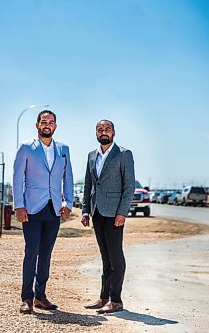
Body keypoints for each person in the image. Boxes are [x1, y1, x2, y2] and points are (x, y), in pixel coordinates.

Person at [12, 110, 74, 314]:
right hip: (31, 209)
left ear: (55, 126)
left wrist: (68, 202)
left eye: (51, 122)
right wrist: (19, 206)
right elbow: (17, 178)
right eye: (44, 122)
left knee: (46, 254)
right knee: (31, 253)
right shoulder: (26, 148)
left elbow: (68, 179)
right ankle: (26, 298)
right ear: (37, 125)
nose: (47, 125)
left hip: (54, 209)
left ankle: (41, 296)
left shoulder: (63, 148)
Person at [81, 119, 135, 314]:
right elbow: (89, 186)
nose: (103, 132)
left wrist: (122, 212)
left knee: (115, 257)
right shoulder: (91, 156)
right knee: (105, 257)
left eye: (107, 129)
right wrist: (85, 210)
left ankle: (116, 300)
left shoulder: (123, 154)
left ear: (114, 132)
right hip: (97, 212)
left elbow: (129, 187)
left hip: (114, 214)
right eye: (100, 129)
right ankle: (104, 298)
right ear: (96, 133)